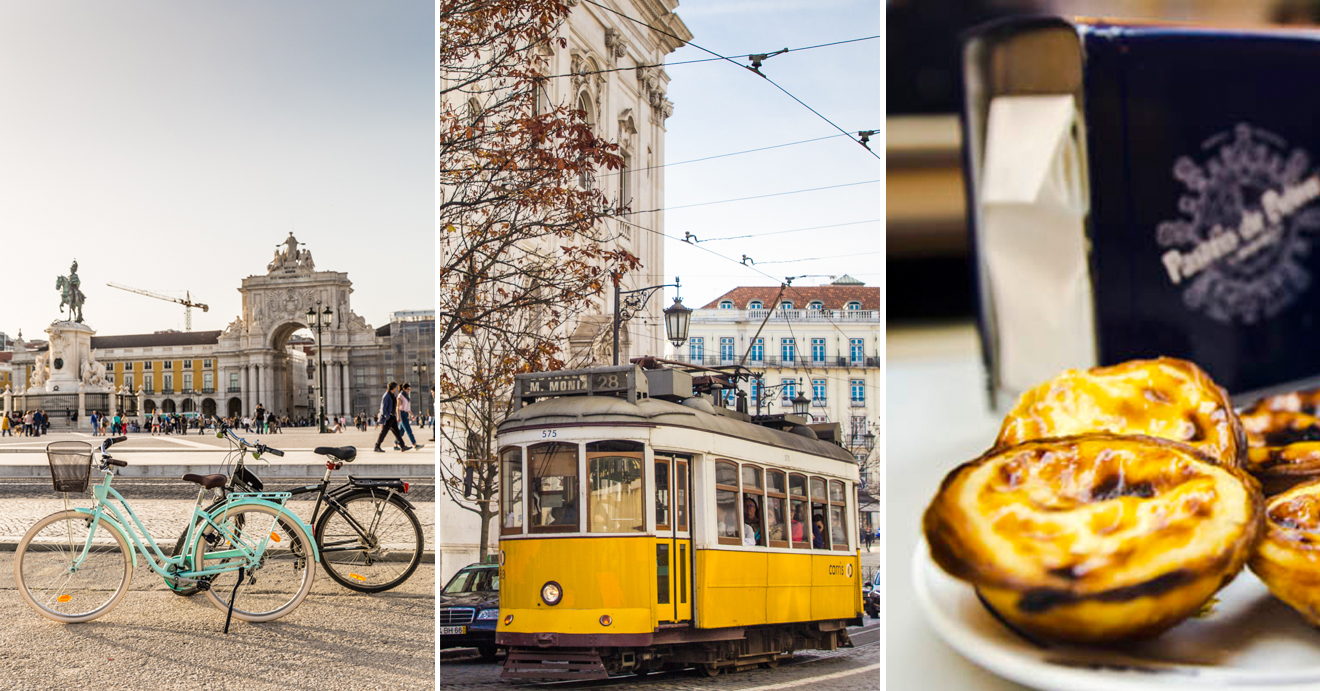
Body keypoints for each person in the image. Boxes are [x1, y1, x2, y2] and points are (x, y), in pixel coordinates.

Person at [374, 381, 410, 453]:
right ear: (393, 388)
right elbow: (383, 409)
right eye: (395, 387)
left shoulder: (391, 395)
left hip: (392, 417)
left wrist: (394, 415)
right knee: (383, 432)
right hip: (389, 417)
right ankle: (377, 446)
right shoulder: (386, 396)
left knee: (397, 432)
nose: (396, 389)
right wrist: (387, 417)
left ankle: (402, 446)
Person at [393, 383, 424, 450]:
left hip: (405, 414)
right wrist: (398, 416)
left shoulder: (405, 396)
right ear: (403, 389)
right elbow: (397, 407)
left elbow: (407, 408)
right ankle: (415, 445)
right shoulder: (400, 396)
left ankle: (395, 445)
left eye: (409, 389)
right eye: (408, 389)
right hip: (402, 414)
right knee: (408, 430)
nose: (409, 391)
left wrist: (412, 415)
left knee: (401, 432)